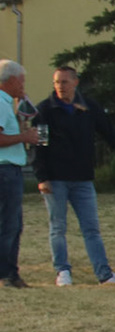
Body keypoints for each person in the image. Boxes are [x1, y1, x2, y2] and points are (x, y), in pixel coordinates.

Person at [31, 65, 115, 287]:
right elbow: (39, 145)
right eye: (56, 82)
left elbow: (110, 133)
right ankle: (62, 271)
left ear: (75, 82)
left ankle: (104, 274)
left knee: (91, 228)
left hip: (83, 179)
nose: (60, 86)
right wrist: (41, 177)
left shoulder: (89, 108)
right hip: (55, 179)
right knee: (58, 227)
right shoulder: (44, 111)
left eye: (64, 82)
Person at [0, 60, 39, 288]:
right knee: (8, 224)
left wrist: (23, 120)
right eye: (22, 82)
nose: (23, 86)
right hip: (5, 170)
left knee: (13, 224)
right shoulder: (0, 103)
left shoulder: (7, 103)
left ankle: (10, 273)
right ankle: (7, 274)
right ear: (11, 80)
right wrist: (24, 138)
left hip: (9, 171)